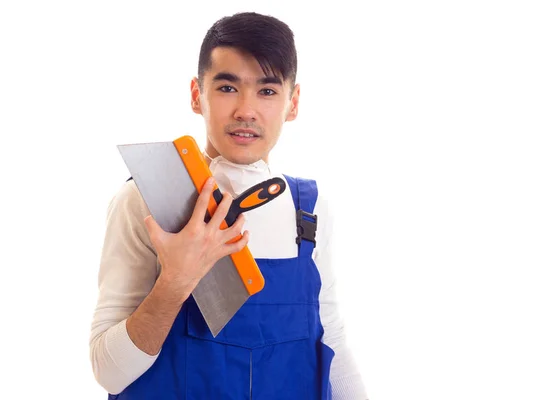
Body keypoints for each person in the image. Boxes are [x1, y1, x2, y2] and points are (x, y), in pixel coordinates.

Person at [90, 11, 368, 399]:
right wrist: (175, 282)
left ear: (293, 102)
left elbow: (331, 335)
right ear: (196, 94)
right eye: (227, 88)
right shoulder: (144, 201)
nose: (246, 111)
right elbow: (109, 373)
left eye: (267, 91)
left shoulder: (310, 212)